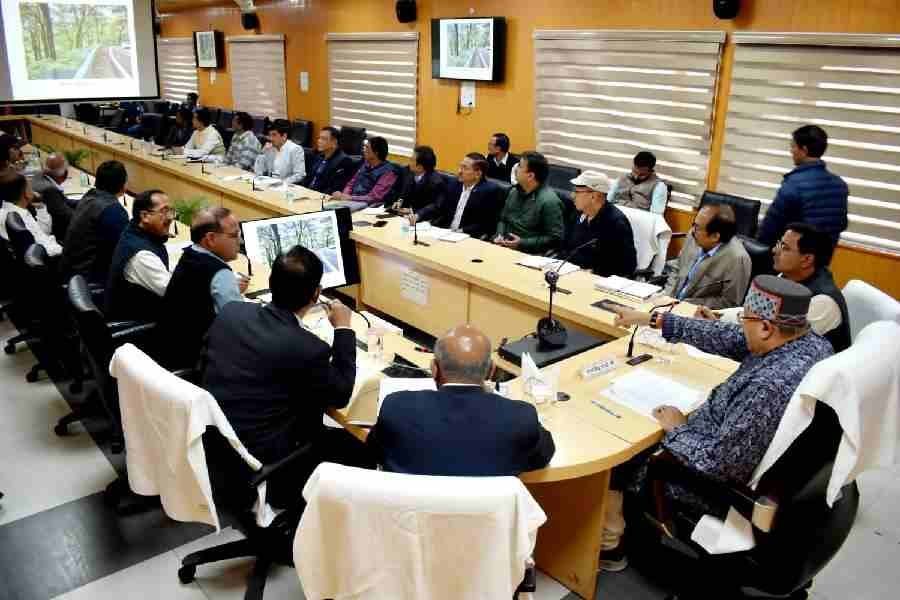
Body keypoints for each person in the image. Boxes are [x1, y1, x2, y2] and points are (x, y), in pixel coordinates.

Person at [604, 275, 833, 571]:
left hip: (704, 481)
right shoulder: (811, 343)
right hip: (749, 450)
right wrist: (653, 319)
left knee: (622, 450)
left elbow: (720, 465)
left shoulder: (767, 387)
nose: (740, 326)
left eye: (744, 319)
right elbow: (728, 336)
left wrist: (678, 428)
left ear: (766, 327)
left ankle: (611, 545)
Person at [201, 245, 372, 507]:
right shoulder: (307, 348)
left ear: (271, 282)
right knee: (363, 445)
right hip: (267, 462)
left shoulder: (231, 312)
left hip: (217, 445)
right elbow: (340, 395)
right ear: (316, 293)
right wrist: (344, 329)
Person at [366, 324, 555, 476]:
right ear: (491, 371)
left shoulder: (396, 407)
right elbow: (543, 454)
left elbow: (375, 451)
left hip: (411, 512)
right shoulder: (521, 418)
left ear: (434, 368)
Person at [699, 223, 852, 353]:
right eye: (779, 244)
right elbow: (755, 313)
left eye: (784, 248)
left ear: (806, 259)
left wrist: (719, 327)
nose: (774, 250)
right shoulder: (786, 277)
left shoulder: (823, 302)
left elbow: (775, 342)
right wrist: (719, 316)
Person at [159, 207, 248, 368]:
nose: (240, 241)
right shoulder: (220, 274)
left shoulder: (190, 254)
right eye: (234, 235)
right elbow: (239, 327)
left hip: (169, 353)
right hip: (199, 363)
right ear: (211, 238)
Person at [757, 125, 849, 248]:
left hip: (792, 256)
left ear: (804, 150)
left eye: (793, 146)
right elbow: (841, 225)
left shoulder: (793, 185)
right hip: (823, 257)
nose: (791, 151)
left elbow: (770, 228)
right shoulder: (840, 186)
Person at [663, 202, 751, 309]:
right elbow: (677, 268)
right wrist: (666, 297)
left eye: (697, 227)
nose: (692, 231)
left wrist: (685, 305)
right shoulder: (694, 235)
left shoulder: (738, 259)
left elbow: (729, 302)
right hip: (669, 303)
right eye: (694, 224)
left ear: (715, 236)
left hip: (696, 313)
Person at [104, 190, 173, 321]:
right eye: (164, 212)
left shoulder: (133, 230)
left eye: (170, 211)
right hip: (137, 323)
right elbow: (176, 293)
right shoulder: (142, 256)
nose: (170, 217)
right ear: (145, 216)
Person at [61, 160, 130, 283]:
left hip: (70, 271)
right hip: (89, 279)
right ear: (123, 185)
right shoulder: (113, 211)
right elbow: (123, 252)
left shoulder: (89, 197)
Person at [408, 152, 502, 238]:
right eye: (460, 166)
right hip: (445, 233)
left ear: (478, 174)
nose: (459, 171)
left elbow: (486, 224)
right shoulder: (453, 184)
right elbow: (438, 206)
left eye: (465, 168)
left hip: (468, 237)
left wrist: (461, 231)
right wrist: (419, 215)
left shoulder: (489, 191)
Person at [565, 171, 637, 276]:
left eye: (577, 192)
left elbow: (627, 266)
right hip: (569, 272)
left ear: (594, 196)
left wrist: (594, 272)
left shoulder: (616, 223)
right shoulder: (578, 213)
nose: (572, 195)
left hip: (597, 279)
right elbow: (566, 246)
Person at [494, 150, 565, 254]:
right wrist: (499, 235)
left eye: (520, 166)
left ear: (530, 176)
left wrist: (522, 243)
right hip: (503, 247)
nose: (515, 168)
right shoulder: (514, 191)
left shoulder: (549, 201)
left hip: (527, 253)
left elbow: (555, 238)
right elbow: (503, 219)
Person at [0, 173, 63, 257]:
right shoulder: (20, 217)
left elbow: (42, 233)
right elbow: (47, 248)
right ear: (25, 193)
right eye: (30, 187)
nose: (33, 190)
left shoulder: (8, 211)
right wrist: (64, 251)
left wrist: (41, 208)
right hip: (52, 256)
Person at [329, 137, 398, 212]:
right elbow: (351, 183)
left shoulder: (389, 172)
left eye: (367, 148)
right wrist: (344, 195)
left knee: (336, 213)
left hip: (367, 205)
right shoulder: (366, 164)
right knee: (327, 207)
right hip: (351, 201)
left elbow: (374, 197)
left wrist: (349, 198)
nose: (363, 150)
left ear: (376, 152)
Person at [29, 153, 74, 240]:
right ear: (64, 174)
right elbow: (67, 216)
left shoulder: (39, 175)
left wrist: (83, 202)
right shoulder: (50, 190)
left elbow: (63, 201)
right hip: (58, 233)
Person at [395, 145, 446, 215]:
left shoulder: (436, 183)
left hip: (422, 218)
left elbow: (435, 207)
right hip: (403, 215)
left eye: (412, 160)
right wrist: (399, 202)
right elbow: (402, 193)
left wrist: (412, 211)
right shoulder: (407, 172)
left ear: (420, 167)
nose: (409, 162)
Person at [302, 126, 355, 195]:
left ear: (334, 142)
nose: (319, 141)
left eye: (323, 139)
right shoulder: (317, 155)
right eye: (319, 138)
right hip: (306, 193)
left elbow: (335, 188)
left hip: (321, 196)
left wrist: (313, 195)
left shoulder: (344, 161)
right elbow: (308, 177)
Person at [253, 118, 306, 184]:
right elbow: (258, 172)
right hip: (269, 184)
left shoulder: (295, 149)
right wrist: (262, 153)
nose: (271, 139)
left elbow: (300, 174)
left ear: (284, 136)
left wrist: (282, 183)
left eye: (274, 135)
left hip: (285, 186)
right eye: (270, 135)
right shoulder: (270, 148)